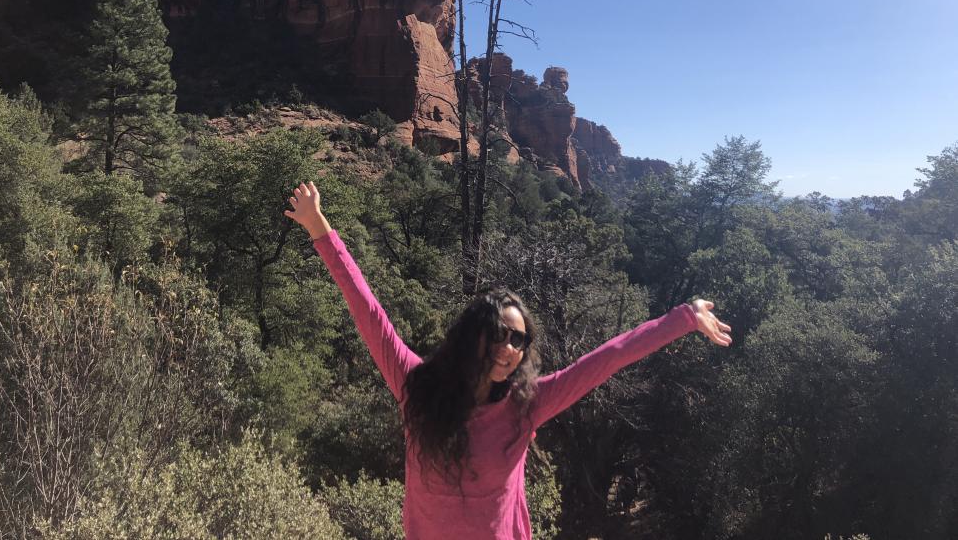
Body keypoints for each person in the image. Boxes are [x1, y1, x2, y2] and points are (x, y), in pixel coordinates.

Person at [285, 181, 732, 540]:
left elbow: (606, 359)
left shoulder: (527, 404)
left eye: (519, 340)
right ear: (472, 336)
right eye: (499, 335)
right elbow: (369, 314)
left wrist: (683, 319)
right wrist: (320, 229)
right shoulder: (415, 385)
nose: (509, 348)